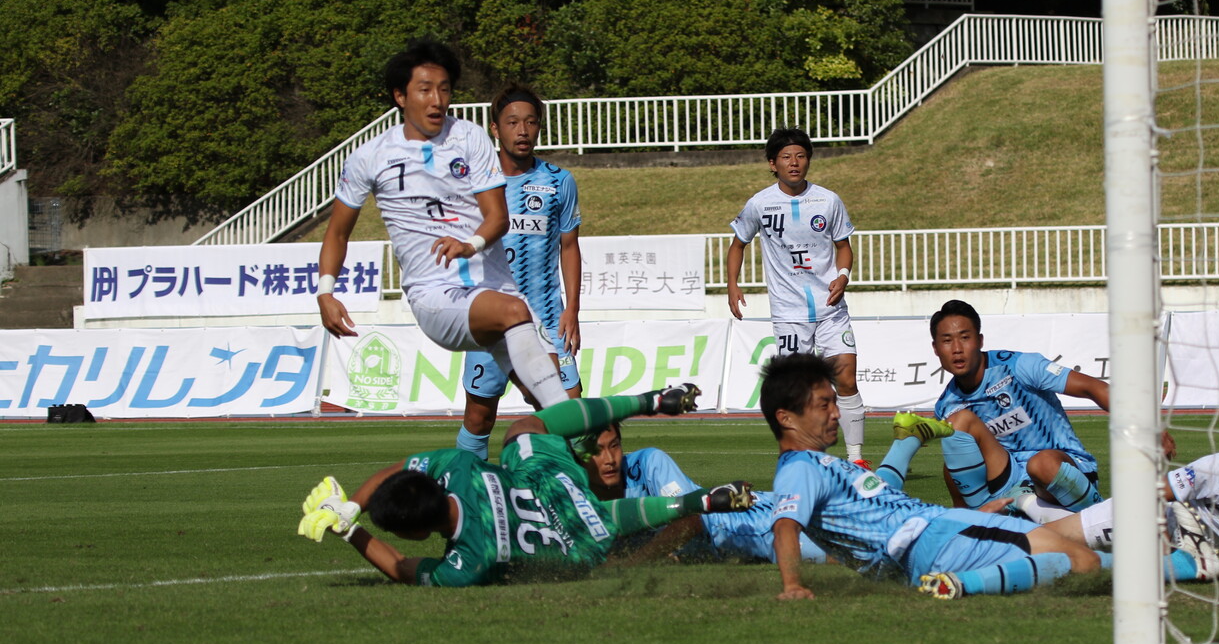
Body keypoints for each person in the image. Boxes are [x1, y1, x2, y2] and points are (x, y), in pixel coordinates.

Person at [315, 39, 567, 413]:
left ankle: (557, 444)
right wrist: (326, 293)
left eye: (445, 89)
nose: (437, 100)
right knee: (515, 318)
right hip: (436, 294)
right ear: (400, 96)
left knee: (553, 399)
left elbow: (498, 217)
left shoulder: (469, 137)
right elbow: (337, 232)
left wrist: (470, 244)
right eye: (425, 90)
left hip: (499, 288)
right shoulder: (369, 157)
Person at [295, 385, 755, 587]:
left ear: (417, 532)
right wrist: (352, 502)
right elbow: (400, 468)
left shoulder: (467, 563)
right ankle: (649, 401)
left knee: (598, 523)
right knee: (526, 427)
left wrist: (350, 528)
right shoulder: (459, 466)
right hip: (544, 481)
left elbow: (399, 568)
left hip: (571, 544)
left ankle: (696, 502)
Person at [760, 353, 1100, 602]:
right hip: (935, 537)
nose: (836, 413)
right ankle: (962, 584)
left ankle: (959, 579)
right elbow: (785, 525)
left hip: (938, 535)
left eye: (835, 403)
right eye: (824, 405)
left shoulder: (820, 465)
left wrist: (974, 515)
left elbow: (881, 502)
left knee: (1085, 557)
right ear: (786, 418)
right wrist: (792, 585)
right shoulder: (799, 467)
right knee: (1083, 560)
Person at [897, 299, 1173, 516]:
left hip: (1059, 469)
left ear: (980, 341)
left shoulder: (1019, 366)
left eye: (965, 338)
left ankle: (1100, 516)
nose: (957, 348)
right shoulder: (948, 405)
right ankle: (973, 526)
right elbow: (957, 472)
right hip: (1009, 481)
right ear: (936, 348)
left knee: (1041, 464)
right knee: (957, 432)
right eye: (947, 341)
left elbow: (1094, 388)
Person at [1044, 403, 1219, 583]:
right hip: (1147, 519)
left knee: (1078, 562)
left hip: (1188, 550)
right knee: (1039, 541)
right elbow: (1152, 494)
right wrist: (1162, 545)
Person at [726, 127, 870, 468]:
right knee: (800, 390)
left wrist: (843, 276)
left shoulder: (828, 200)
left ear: (808, 160)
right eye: (786, 157)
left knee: (846, 378)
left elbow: (843, 246)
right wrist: (732, 285)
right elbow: (738, 244)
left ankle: (856, 459)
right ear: (772, 163)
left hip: (830, 308)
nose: (794, 163)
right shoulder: (759, 204)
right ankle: (807, 458)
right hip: (789, 313)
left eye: (801, 156)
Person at [456, 83, 583, 459]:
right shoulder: (474, 184)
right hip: (491, 318)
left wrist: (572, 309)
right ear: (495, 128)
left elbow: (569, 247)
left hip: (546, 317)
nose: (523, 130)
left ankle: (570, 490)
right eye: (512, 122)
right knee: (479, 417)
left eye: (530, 122)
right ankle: (468, 486)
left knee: (568, 413)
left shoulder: (559, 181)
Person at [570, 421, 830, 565]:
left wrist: (636, 562)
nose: (609, 459)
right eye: (597, 451)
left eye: (614, 446)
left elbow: (691, 520)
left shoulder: (648, 463)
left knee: (839, 553)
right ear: (579, 457)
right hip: (730, 548)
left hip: (752, 523)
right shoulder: (575, 497)